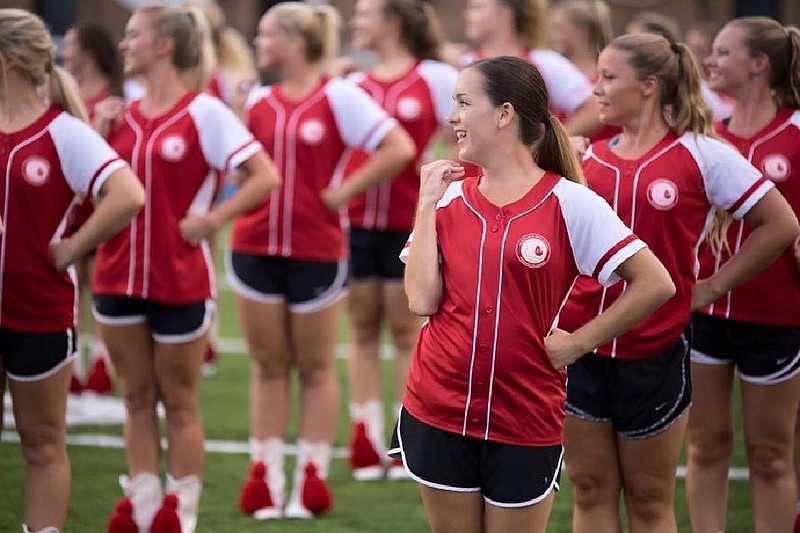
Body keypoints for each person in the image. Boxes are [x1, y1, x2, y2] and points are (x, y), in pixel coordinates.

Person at [391, 54, 676, 533]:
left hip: (523, 416)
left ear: (504, 114)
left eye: (463, 103)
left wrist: (579, 342)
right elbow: (420, 300)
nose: (452, 117)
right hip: (436, 406)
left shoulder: (571, 202)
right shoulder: (448, 197)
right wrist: (424, 205)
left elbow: (656, 283)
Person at [556, 32, 799, 533]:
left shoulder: (703, 155)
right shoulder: (585, 159)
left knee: (649, 499)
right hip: (581, 348)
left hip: (657, 351)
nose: (595, 89)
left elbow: (780, 224)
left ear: (648, 86)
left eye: (607, 77)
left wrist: (710, 287)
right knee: (590, 488)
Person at [91, 4, 279, 533]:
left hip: (180, 281)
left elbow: (263, 176)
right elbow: (90, 194)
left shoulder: (205, 112)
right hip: (115, 277)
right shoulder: (115, 115)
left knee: (179, 401)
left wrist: (212, 217)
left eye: (133, 36)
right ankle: (144, 506)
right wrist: (97, 133)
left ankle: (181, 514)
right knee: (134, 397)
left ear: (164, 45)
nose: (123, 45)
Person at [229, 1, 415, 521]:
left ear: (295, 42)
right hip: (253, 247)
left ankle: (309, 478)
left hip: (318, 250)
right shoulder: (256, 100)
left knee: (313, 368)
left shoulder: (338, 96)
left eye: (267, 36)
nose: (259, 45)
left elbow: (397, 147)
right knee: (267, 366)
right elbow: (236, 168)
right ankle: (263, 478)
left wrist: (345, 191)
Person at [0, 9, 144, 533]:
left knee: (41, 443)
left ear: (10, 60)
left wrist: (70, 249)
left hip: (39, 312)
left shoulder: (63, 132)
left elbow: (128, 194)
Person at [685, 17, 800, 533]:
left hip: (778, 312)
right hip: (704, 309)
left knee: (771, 452)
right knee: (705, 444)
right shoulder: (709, 136)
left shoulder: (796, 132)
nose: (711, 61)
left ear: (759, 64)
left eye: (723, 52)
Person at [343, 0, 458, 482]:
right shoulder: (352, 83)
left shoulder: (433, 76)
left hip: (412, 223)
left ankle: (407, 439)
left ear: (392, 22)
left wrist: (440, 179)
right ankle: (365, 439)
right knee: (362, 329)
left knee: (408, 329)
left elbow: (461, 134)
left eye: (364, 15)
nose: (356, 23)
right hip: (355, 222)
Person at [185, 0, 260, 377]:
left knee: (201, 250)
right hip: (194, 169)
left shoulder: (212, 76)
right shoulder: (211, 73)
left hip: (202, 172)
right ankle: (204, 336)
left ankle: (204, 334)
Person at [62, 22, 126, 396]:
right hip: (70, 208)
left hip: (102, 206)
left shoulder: (118, 95)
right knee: (71, 289)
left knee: (100, 286)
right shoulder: (62, 92)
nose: (66, 51)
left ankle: (102, 361)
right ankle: (72, 364)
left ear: (88, 50)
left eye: (70, 44)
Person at [458, 0, 601, 137]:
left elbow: (594, 108)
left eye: (477, 7)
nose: (466, 15)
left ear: (504, 13)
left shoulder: (546, 62)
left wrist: (552, 144)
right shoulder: (462, 64)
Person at [624, 11, 733, 121]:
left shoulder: (694, 89)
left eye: (636, 43)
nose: (626, 49)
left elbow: (721, 121)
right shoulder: (626, 86)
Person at [547, 0, 618, 142]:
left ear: (581, 32)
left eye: (558, 29)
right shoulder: (555, 75)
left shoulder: (610, 75)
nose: (552, 36)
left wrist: (553, 145)